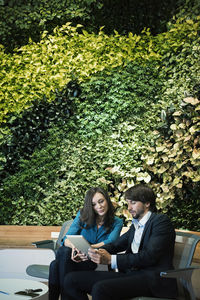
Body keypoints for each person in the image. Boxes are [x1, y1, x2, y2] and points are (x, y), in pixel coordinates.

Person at [62, 184, 178, 300]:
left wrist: (110, 259)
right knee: (71, 280)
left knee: (100, 288)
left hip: (152, 280)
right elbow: (115, 245)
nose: (129, 207)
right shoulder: (136, 225)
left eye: (133, 203)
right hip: (130, 275)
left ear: (147, 203)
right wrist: (88, 252)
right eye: (128, 203)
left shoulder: (161, 222)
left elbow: (149, 256)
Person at [48, 186, 123, 300]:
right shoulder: (82, 215)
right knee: (62, 254)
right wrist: (75, 247)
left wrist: (88, 247)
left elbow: (111, 241)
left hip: (97, 260)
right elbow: (66, 239)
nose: (99, 206)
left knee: (56, 265)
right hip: (78, 258)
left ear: (107, 200)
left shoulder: (117, 222)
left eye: (101, 201)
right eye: (94, 204)